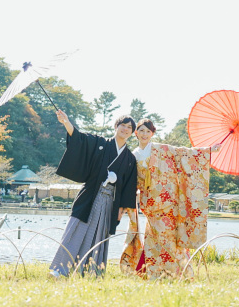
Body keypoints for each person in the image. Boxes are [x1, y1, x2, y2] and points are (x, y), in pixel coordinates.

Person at [120, 118, 219, 280]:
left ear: (152, 133)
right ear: (136, 133)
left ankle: (181, 273)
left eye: (148, 131)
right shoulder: (133, 156)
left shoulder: (161, 149)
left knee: (171, 240)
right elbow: (132, 181)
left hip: (168, 202)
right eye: (142, 131)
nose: (145, 134)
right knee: (153, 240)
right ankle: (156, 274)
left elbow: (183, 153)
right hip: (150, 204)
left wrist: (209, 150)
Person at [49, 110, 138, 277]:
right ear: (116, 126)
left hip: (110, 203)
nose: (125, 129)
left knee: (98, 236)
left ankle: (92, 272)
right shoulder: (100, 143)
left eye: (129, 127)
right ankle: (60, 270)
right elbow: (80, 139)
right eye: (122, 125)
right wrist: (66, 123)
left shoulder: (130, 159)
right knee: (76, 231)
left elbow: (128, 186)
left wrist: (121, 210)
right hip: (90, 197)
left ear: (132, 133)